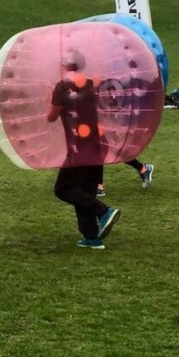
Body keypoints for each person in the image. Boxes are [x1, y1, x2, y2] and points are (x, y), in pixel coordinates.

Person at [47, 50, 121, 249]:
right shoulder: (91, 84)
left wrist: (52, 101)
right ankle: (91, 237)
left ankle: (103, 211)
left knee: (63, 189)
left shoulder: (62, 86)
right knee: (85, 191)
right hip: (98, 144)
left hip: (78, 147)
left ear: (63, 66)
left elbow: (52, 116)